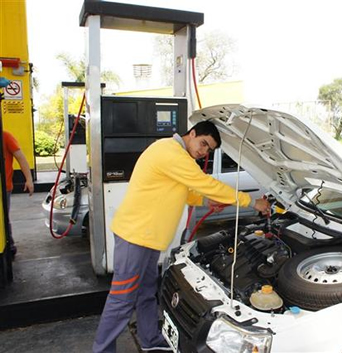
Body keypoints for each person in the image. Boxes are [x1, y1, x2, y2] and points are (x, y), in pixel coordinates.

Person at [93, 121, 270, 353]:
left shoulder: (173, 153)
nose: (203, 151)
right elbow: (204, 183)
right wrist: (252, 201)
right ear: (192, 133)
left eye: (209, 149)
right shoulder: (170, 152)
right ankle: (102, 350)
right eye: (203, 143)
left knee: (147, 292)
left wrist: (207, 201)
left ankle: (149, 339)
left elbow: (185, 191)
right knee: (122, 299)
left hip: (148, 238)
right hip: (135, 237)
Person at [3, 130, 34, 258]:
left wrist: (29, 179)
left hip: (4, 188)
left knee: (3, 219)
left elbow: (20, 157)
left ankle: (9, 246)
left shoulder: (5, 136)